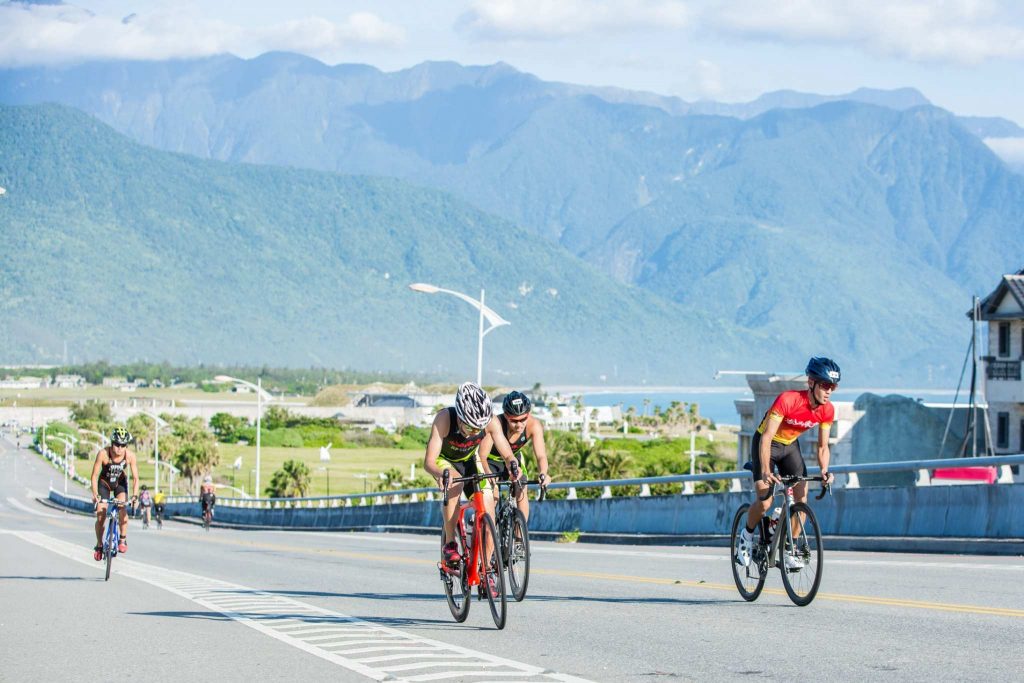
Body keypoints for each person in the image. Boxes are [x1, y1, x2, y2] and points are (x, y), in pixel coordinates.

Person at [735, 357, 840, 570]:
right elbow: (766, 437)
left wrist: (825, 471)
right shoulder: (788, 399)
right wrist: (765, 470)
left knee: (801, 500)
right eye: (825, 385)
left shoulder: (827, 410)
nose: (829, 391)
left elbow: (822, 447)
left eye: (833, 387)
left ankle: (787, 550)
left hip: (790, 446)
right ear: (811, 383)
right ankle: (746, 536)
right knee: (765, 501)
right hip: (766, 443)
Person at [423, 382, 522, 597]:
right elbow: (429, 461)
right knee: (456, 483)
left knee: (488, 509)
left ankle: (486, 570)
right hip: (444, 462)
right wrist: (442, 475)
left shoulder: (490, 422)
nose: (473, 433)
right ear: (459, 415)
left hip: (469, 459)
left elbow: (507, 453)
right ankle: (450, 544)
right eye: (469, 427)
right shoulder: (444, 419)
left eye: (478, 429)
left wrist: (513, 466)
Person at [479, 390, 550, 523]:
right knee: (493, 495)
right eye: (514, 421)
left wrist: (543, 473)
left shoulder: (534, 425)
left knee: (522, 487)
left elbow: (541, 456)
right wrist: (489, 475)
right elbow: (482, 456)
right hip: (490, 461)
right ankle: (487, 529)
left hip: (513, 461)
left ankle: (519, 540)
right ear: (506, 416)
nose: (519, 424)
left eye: (523, 419)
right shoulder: (496, 424)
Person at [90, 427, 140, 560]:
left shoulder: (129, 456)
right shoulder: (103, 454)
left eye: (123, 445)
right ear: (112, 443)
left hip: (119, 484)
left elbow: (135, 478)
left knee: (122, 507)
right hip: (104, 484)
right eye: (117, 444)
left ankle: (122, 539)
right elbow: (94, 476)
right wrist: (95, 494)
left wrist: (135, 496)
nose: (119, 448)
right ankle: (99, 544)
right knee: (101, 515)